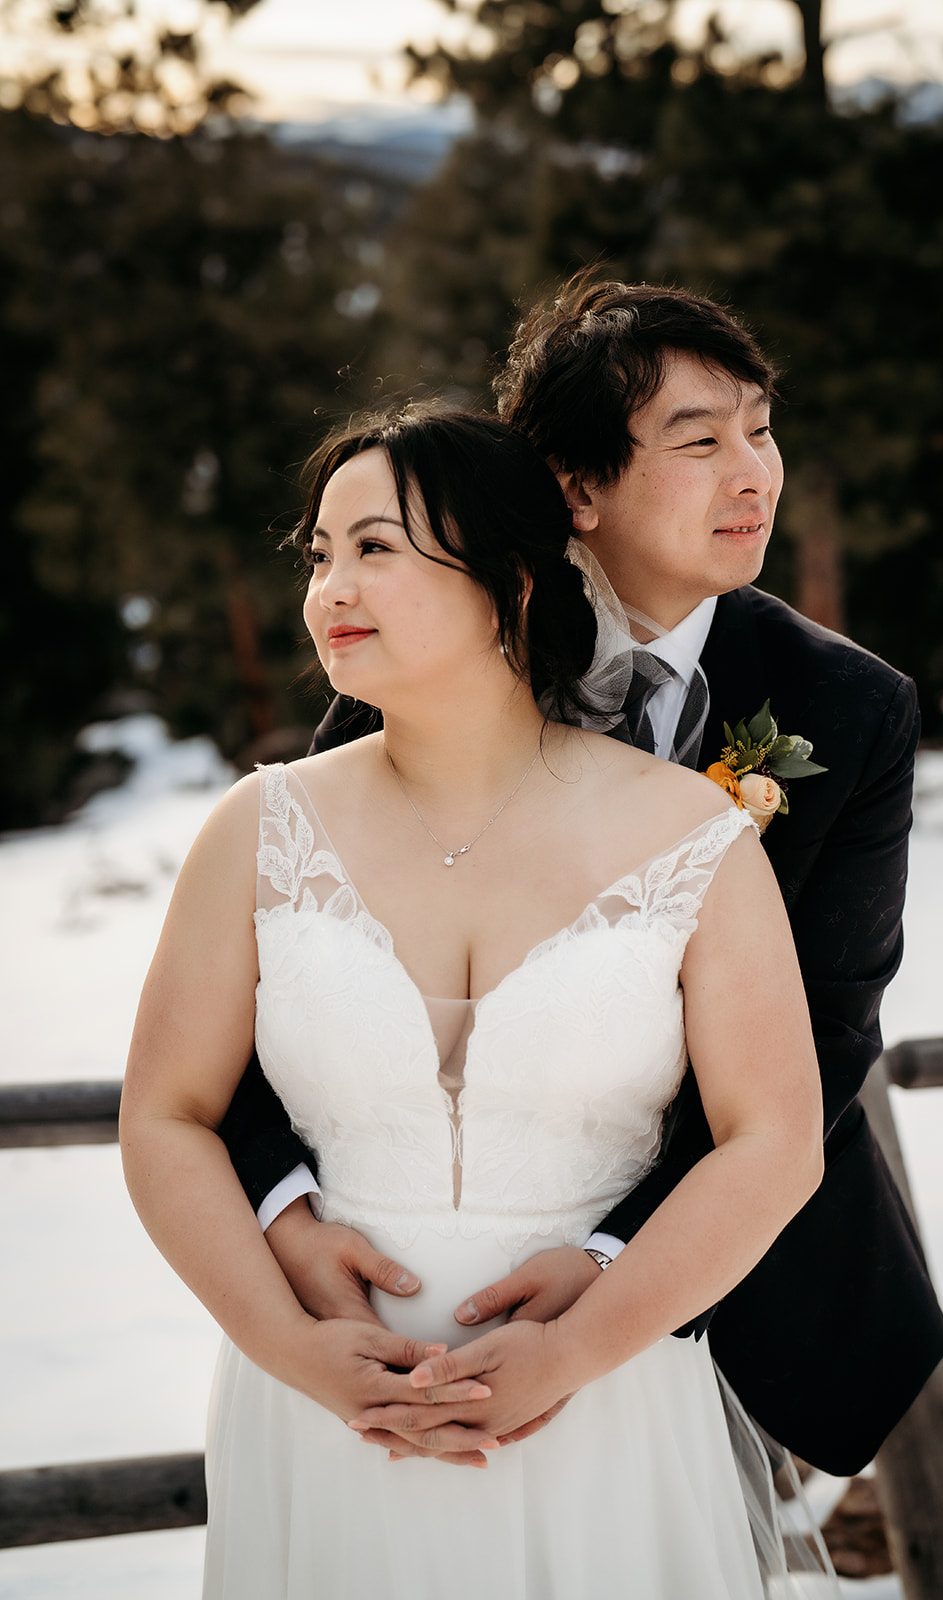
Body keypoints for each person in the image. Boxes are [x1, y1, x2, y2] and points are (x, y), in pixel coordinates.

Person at [219, 277, 943, 1479]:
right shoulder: (430, 645)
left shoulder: (847, 708)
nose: (752, 473)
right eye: (697, 439)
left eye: (759, 429)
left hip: (724, 1288)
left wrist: (617, 1262)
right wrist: (283, 1214)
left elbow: (823, 1031)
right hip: (406, 1305)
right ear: (575, 487)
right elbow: (298, 950)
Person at [120, 407, 831, 1597]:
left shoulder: (691, 834)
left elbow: (775, 1140)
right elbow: (165, 1116)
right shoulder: (255, 829)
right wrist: (291, 1348)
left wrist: (575, 1352)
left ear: (506, 577)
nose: (329, 588)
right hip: (328, 1421)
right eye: (318, 552)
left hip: (600, 1406)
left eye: (376, 547)